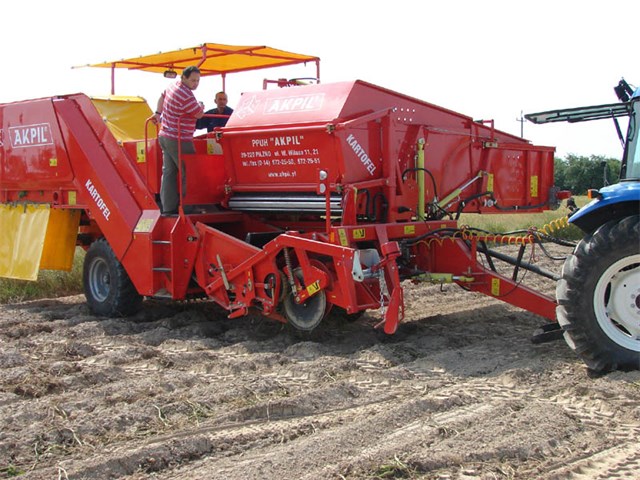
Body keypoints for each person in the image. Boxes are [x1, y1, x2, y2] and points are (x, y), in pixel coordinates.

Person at [153, 66, 204, 214]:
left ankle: (168, 208)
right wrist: (201, 105)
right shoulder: (185, 95)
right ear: (184, 78)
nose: (195, 83)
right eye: (193, 80)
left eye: (198, 81)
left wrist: (158, 113)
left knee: (168, 172)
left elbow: (162, 96)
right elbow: (199, 113)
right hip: (180, 139)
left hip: (165, 135)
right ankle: (188, 207)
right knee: (189, 171)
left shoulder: (173, 86)